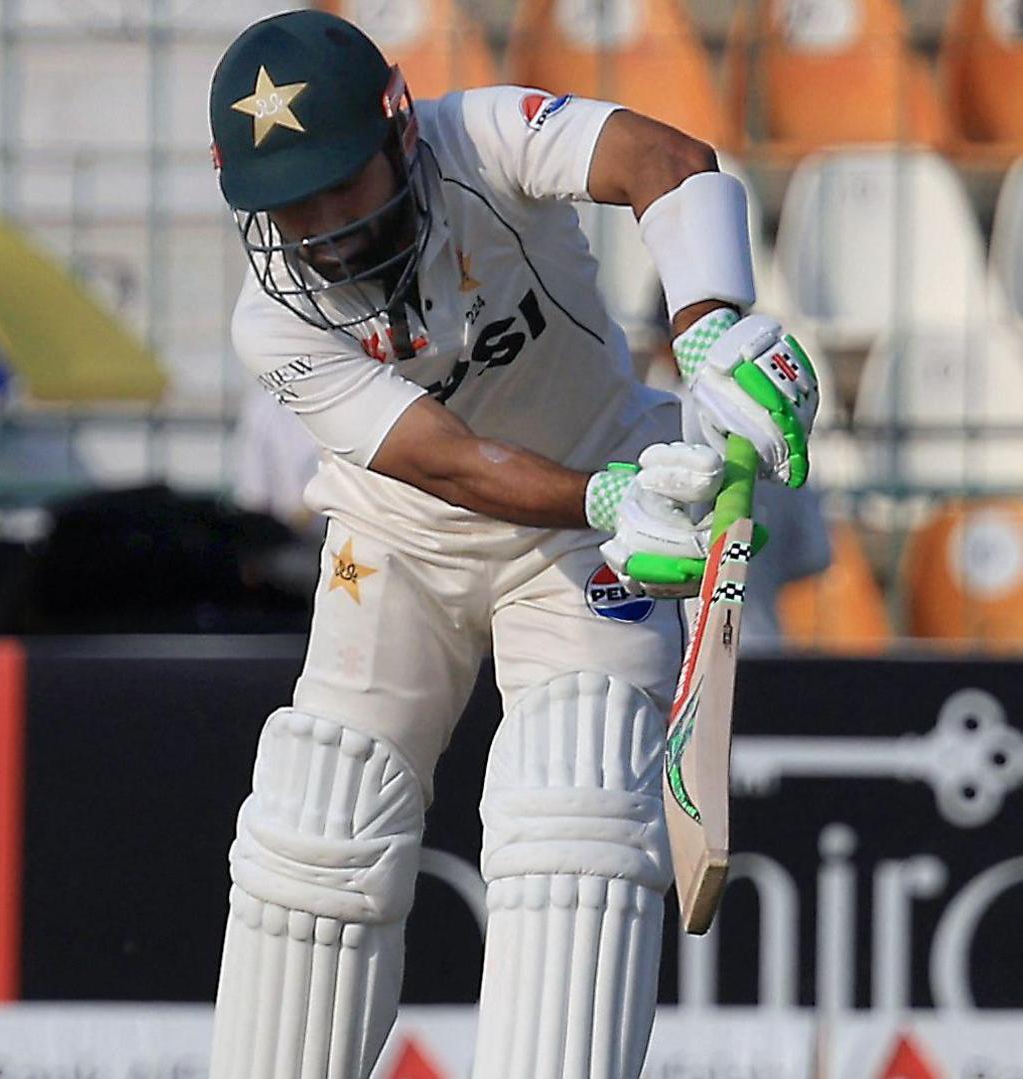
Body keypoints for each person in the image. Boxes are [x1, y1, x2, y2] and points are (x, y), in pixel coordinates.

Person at [204, 10, 819, 1078]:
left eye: (337, 190)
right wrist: (611, 498)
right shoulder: (273, 321)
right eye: (287, 209)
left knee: (572, 805)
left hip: (576, 539)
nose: (319, 233)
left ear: (400, 133)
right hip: (401, 540)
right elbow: (448, 460)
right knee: (321, 819)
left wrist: (709, 328)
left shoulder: (481, 137)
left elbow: (663, 160)